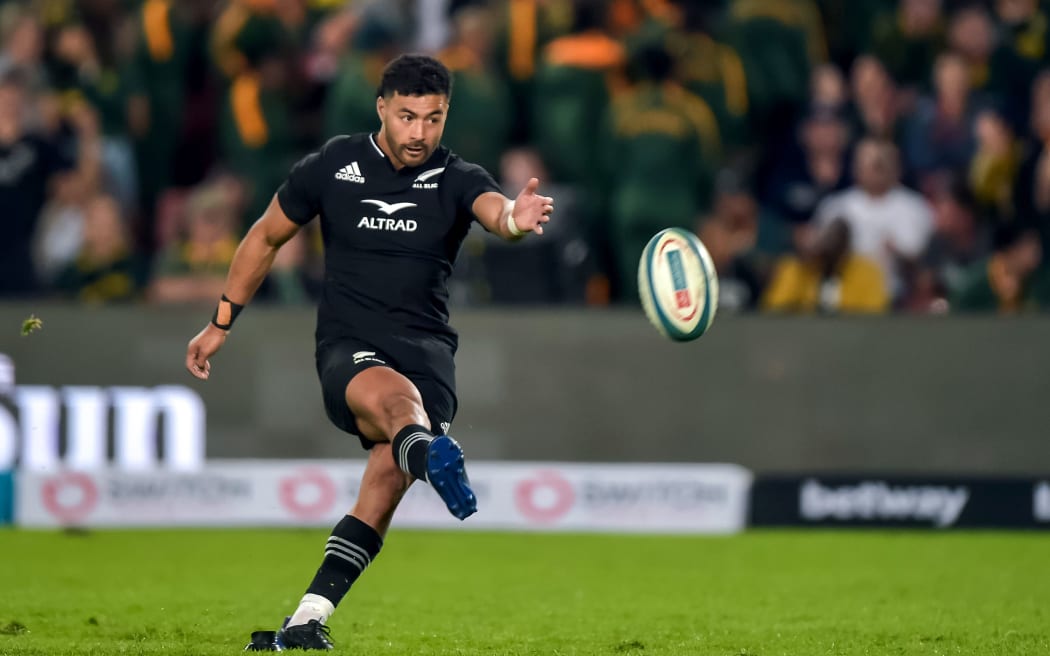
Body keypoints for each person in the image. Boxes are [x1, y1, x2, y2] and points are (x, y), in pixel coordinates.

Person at [183, 54, 553, 651]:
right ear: (382, 108)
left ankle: (306, 620)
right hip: (349, 347)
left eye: (433, 119)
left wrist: (517, 215)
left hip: (429, 352)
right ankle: (427, 449)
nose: (419, 133)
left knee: (383, 482)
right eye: (407, 117)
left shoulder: (458, 177)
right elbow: (266, 236)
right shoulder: (333, 164)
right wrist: (220, 322)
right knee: (396, 405)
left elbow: (498, 215)